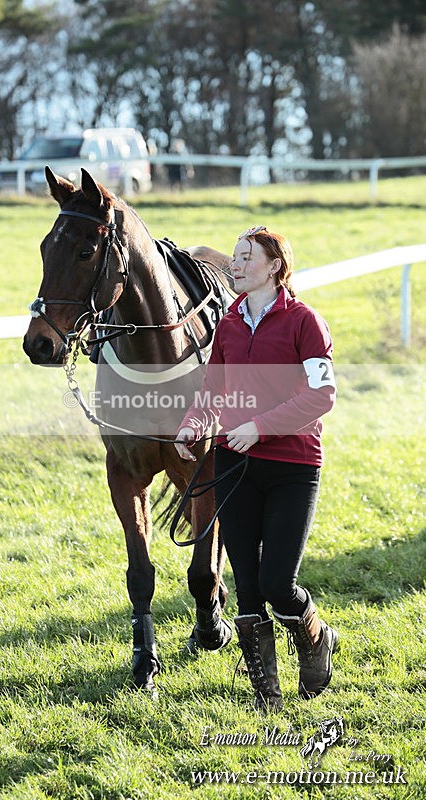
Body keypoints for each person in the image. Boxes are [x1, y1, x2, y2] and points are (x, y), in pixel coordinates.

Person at [174, 225, 338, 711]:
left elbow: (321, 396)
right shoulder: (227, 322)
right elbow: (211, 392)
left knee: (277, 585)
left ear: (275, 266)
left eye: (248, 257)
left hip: (292, 466)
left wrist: (259, 427)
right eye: (236, 257)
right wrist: (192, 425)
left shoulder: (305, 322)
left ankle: (314, 637)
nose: (237, 264)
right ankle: (266, 696)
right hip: (234, 463)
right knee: (246, 586)